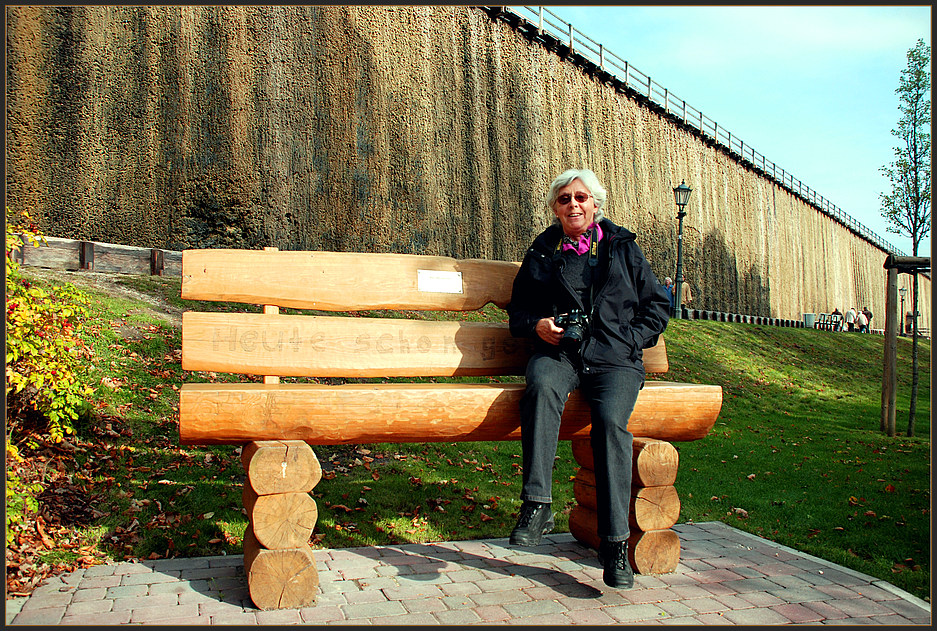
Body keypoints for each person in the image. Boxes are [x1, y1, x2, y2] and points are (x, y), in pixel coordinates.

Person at [506, 168, 670, 589]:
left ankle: (614, 544)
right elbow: (518, 313)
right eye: (564, 199)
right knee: (540, 385)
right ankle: (537, 503)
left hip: (615, 360)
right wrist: (538, 326)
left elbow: (657, 306)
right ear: (555, 209)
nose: (573, 205)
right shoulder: (542, 251)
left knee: (611, 426)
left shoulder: (622, 248)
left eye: (581, 197)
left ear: (596, 204)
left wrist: (629, 339)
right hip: (561, 354)